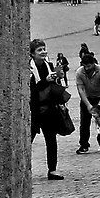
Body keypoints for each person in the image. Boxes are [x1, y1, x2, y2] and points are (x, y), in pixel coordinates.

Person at [29, 37, 68, 179]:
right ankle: (23, 167)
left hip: (49, 108)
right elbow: (32, 89)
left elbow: (54, 86)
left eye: (44, 49)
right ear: (32, 53)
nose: (43, 52)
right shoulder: (29, 68)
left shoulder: (49, 65)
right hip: (34, 109)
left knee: (51, 139)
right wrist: (46, 80)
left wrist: (59, 76)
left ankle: (52, 170)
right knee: (28, 139)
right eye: (39, 50)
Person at [75, 47, 100, 154]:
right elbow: (81, 90)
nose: (87, 68)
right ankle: (84, 145)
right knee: (84, 123)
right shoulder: (79, 72)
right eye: (85, 66)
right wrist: (88, 105)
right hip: (88, 97)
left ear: (93, 64)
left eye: (89, 66)